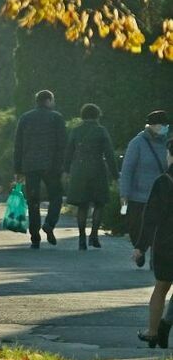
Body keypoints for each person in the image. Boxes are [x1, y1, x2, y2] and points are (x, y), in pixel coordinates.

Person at [14, 90, 68, 249]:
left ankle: (34, 236)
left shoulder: (25, 118)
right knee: (56, 196)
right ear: (49, 100)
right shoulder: (56, 118)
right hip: (51, 166)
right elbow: (62, 144)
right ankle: (50, 223)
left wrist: (18, 169)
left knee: (33, 200)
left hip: (30, 166)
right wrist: (63, 166)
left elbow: (18, 145)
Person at [135, 141, 173, 348]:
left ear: (170, 155)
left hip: (167, 243)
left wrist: (141, 246)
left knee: (161, 288)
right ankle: (166, 324)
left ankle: (152, 331)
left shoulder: (163, 181)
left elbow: (151, 217)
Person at [64, 104, 118, 250]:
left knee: (82, 205)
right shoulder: (101, 131)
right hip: (97, 170)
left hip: (79, 170)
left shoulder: (76, 131)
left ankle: (82, 238)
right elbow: (109, 154)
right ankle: (93, 235)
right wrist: (115, 174)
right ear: (97, 115)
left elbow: (68, 152)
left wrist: (66, 171)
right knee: (99, 204)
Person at [120, 110, 170, 248]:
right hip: (139, 196)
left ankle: (154, 256)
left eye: (166, 124)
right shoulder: (137, 143)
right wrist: (124, 194)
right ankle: (139, 249)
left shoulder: (168, 144)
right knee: (137, 228)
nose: (165, 127)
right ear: (152, 126)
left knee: (158, 229)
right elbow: (127, 170)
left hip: (160, 195)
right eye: (162, 124)